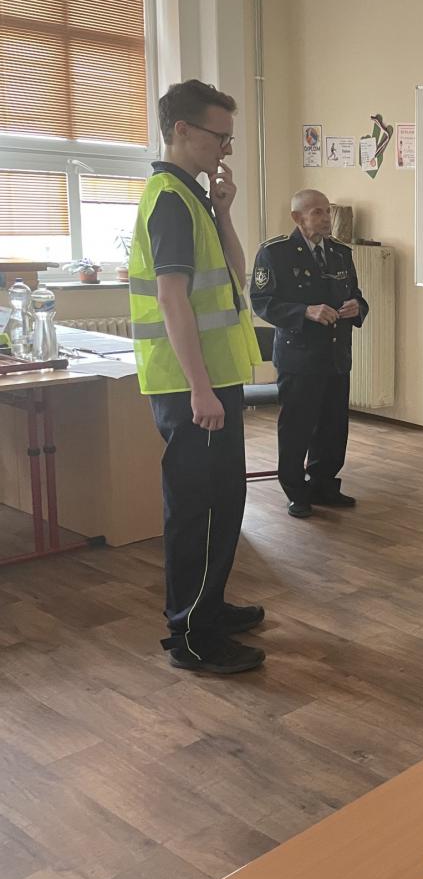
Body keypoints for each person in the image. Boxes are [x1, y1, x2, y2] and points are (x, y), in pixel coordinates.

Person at [128, 80, 265, 675]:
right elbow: (171, 299)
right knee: (199, 508)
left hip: (211, 379)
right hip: (191, 386)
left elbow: (236, 274)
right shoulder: (168, 199)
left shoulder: (193, 197)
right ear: (182, 130)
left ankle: (208, 607)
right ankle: (193, 635)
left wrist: (225, 212)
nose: (226, 149)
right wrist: (200, 389)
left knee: (223, 500)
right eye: (220, 136)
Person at [251, 190, 369, 518]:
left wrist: (356, 307)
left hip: (335, 354)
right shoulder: (275, 253)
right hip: (299, 357)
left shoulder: (340, 253)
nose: (326, 218)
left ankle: (324, 485)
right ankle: (296, 491)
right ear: (297, 217)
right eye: (317, 212)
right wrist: (305, 311)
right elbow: (262, 302)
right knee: (297, 428)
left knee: (333, 427)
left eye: (327, 211)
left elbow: (357, 295)